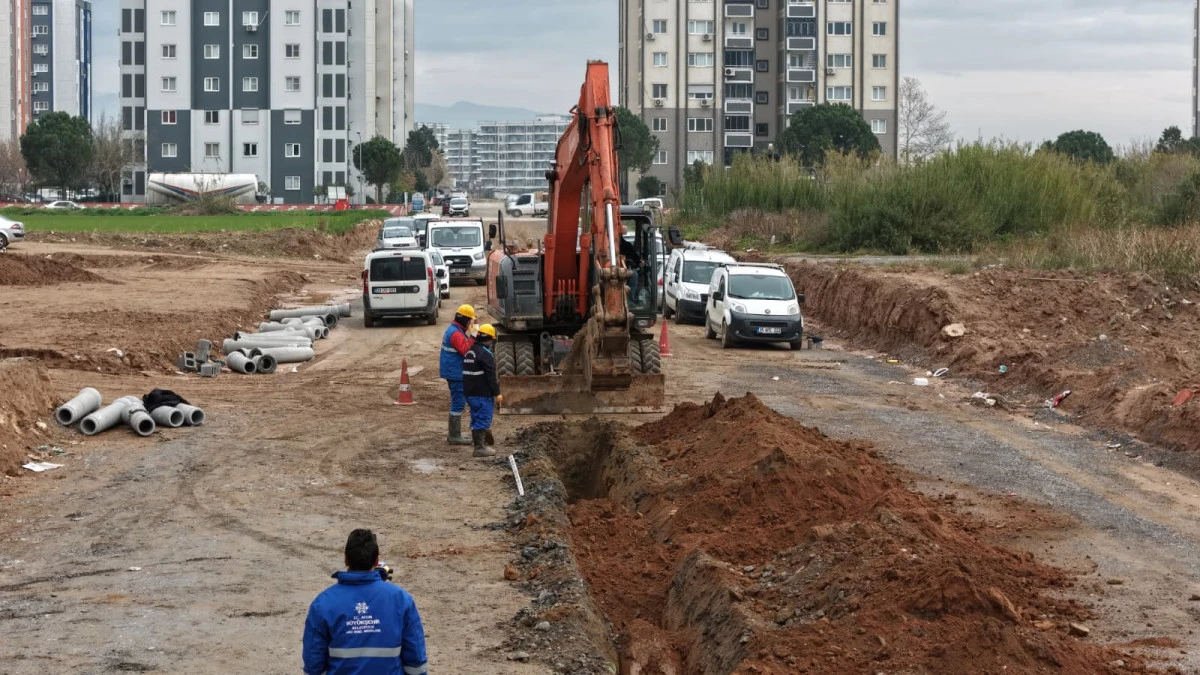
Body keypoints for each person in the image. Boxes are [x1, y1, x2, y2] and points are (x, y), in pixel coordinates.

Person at [302, 529, 428, 675]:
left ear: (346, 560)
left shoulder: (323, 604)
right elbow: (416, 659)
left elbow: (313, 661)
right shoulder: (401, 600)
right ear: (376, 561)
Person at [462, 324, 502, 458]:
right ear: (490, 339)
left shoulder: (470, 351)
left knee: (475, 417)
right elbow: (491, 377)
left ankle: (480, 442)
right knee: (484, 418)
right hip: (481, 394)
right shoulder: (485, 354)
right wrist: (497, 393)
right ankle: (479, 448)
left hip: (469, 393)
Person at [440, 304, 476, 446]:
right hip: (455, 373)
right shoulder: (455, 333)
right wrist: (473, 336)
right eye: (470, 321)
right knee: (458, 403)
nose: (470, 324)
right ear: (464, 320)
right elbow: (466, 350)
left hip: (453, 371)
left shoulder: (455, 330)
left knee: (459, 402)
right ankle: (454, 436)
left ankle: (455, 434)